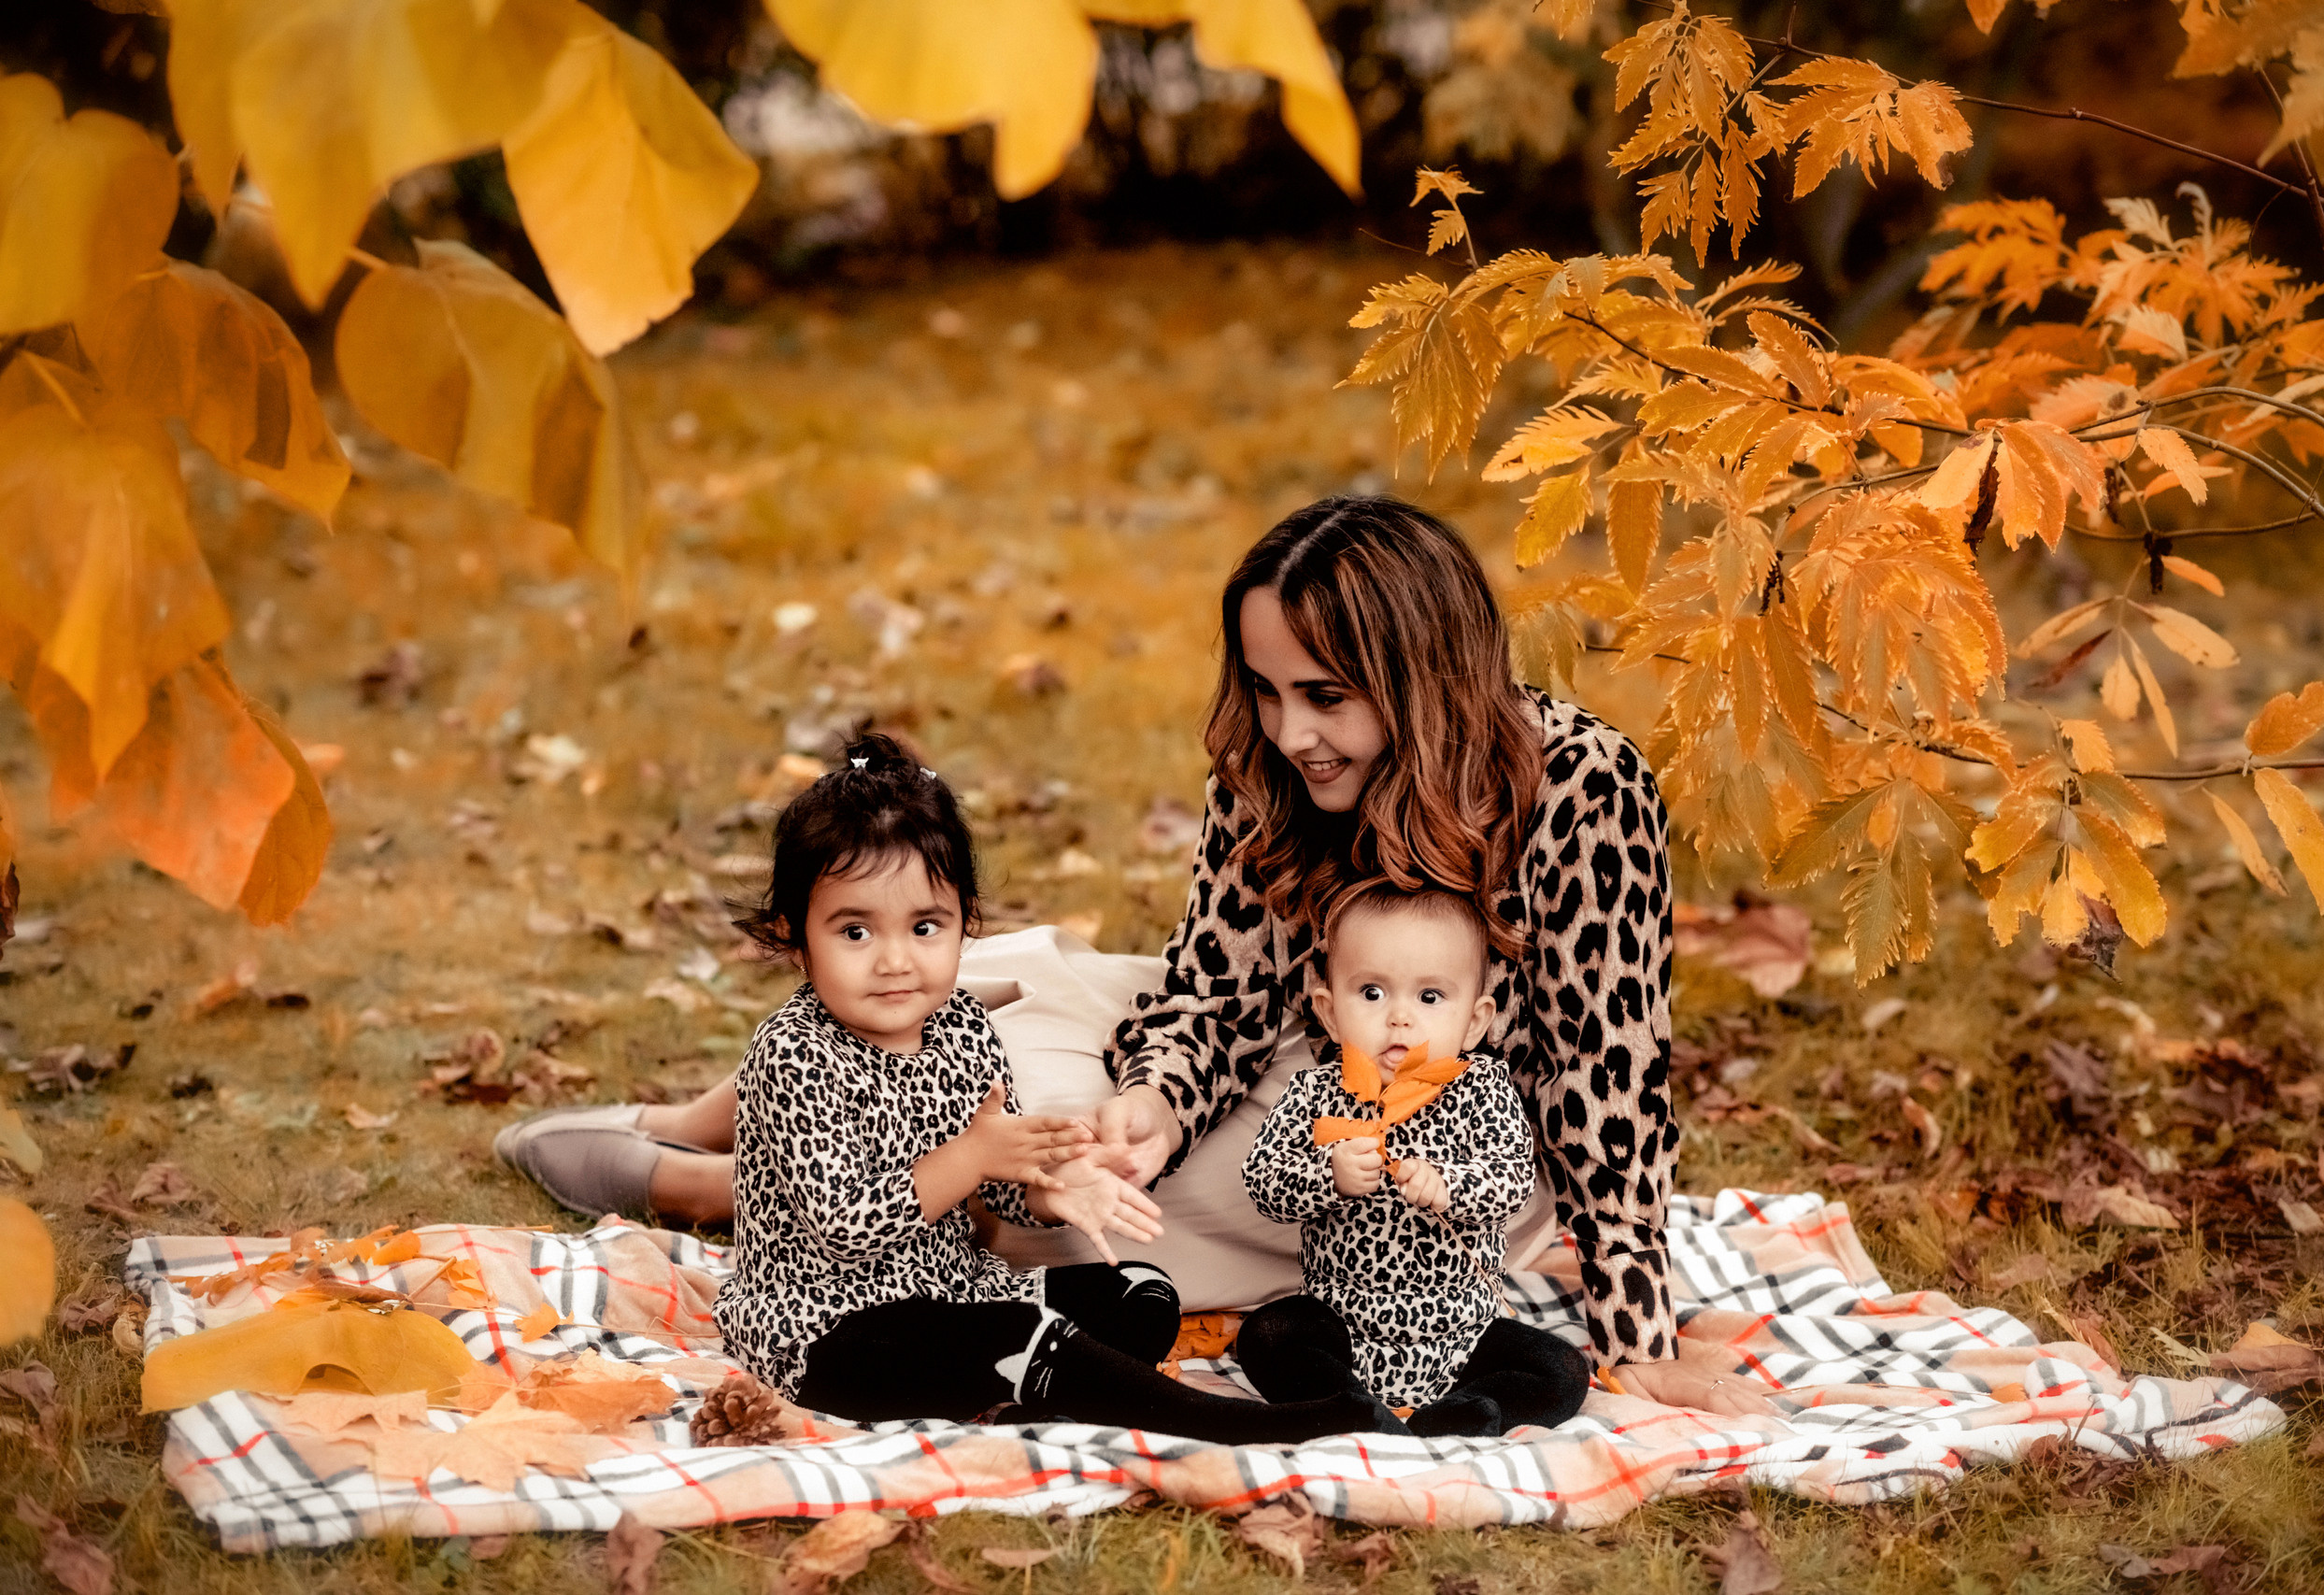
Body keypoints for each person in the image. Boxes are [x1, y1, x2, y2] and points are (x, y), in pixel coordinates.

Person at [496, 495, 1771, 1415]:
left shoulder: (1583, 787)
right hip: (1268, 1049)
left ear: (1422, 673)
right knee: (1019, 1010)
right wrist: (1158, 1096)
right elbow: (1209, 989)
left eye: (1324, 695)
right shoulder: (1275, 766)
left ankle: (715, 1187)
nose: (1291, 731)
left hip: (1415, 1131)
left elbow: (1612, 1081)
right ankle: (717, 1112)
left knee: (1059, 1172)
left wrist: (1635, 1331)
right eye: (1268, 689)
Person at [704, 731, 1396, 1442]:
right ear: (794, 935)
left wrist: (1049, 1188)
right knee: (1015, 1332)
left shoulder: (962, 1028)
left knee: (1140, 1293)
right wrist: (971, 1156)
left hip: (949, 1288)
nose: (895, 960)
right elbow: (847, 1228)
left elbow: (1002, 1184)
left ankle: (1032, 1385)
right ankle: (1228, 1423)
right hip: (830, 1329)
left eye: (924, 925)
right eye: (855, 932)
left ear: (964, 921)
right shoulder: (794, 1055)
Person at [1238, 885, 1589, 1437]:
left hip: (1463, 1333)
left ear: (1474, 1023)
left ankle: (1473, 1410)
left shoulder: (1483, 1091)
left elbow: (1513, 1179)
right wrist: (1327, 1176)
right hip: (1343, 1325)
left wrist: (1449, 1185)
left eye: (1430, 997)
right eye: (1372, 992)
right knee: (1267, 1334)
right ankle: (1347, 1405)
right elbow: (1263, 1182)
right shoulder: (1314, 1093)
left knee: (1563, 1369)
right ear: (1330, 1013)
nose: (1400, 1018)